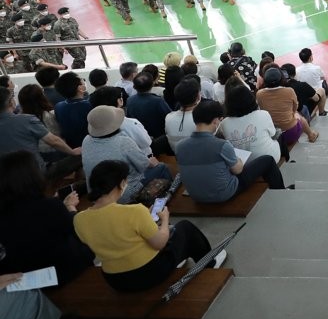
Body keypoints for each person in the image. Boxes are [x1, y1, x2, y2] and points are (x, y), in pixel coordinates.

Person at [73, 160, 224, 293]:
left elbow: (116, 235)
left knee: (162, 232)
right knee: (185, 228)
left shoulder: (79, 219)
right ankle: (210, 263)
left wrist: (147, 218)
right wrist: (164, 220)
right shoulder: (134, 211)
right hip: (150, 273)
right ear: (120, 184)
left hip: (116, 281)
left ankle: (181, 258)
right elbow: (159, 243)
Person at [0, 150, 95, 283]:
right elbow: (78, 232)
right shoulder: (51, 207)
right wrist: (69, 208)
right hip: (61, 273)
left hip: (25, 279)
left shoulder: (5, 214)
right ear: (33, 176)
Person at [175, 100, 287, 203]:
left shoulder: (179, 146)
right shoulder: (221, 145)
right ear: (215, 121)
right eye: (220, 120)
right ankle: (281, 193)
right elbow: (238, 170)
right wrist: (237, 159)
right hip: (223, 194)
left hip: (196, 196)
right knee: (267, 160)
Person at [82, 106, 170, 200]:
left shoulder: (86, 140)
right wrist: (152, 162)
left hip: (97, 195)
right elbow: (143, 165)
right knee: (162, 167)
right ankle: (166, 198)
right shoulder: (123, 142)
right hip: (123, 193)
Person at [219, 84, 282, 163]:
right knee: (279, 133)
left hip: (244, 165)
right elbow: (273, 134)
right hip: (271, 159)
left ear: (228, 103)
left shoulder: (224, 123)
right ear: (251, 99)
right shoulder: (263, 114)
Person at [256, 67, 318, 148]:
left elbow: (262, 109)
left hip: (272, 134)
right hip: (291, 133)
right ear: (282, 78)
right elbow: (295, 108)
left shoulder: (259, 94)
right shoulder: (289, 91)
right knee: (297, 114)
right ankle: (311, 135)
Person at [126, 73, 172, 139]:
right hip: (158, 136)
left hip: (140, 134)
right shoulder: (158, 101)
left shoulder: (129, 100)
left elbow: (129, 118)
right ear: (152, 84)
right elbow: (169, 116)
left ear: (134, 86)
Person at [53, 71, 91, 149]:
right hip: (88, 144)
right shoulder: (89, 105)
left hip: (71, 145)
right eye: (82, 80)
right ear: (80, 88)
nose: (84, 81)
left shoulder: (58, 106)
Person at [164, 79, 201, 151]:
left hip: (177, 156)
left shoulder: (168, 117)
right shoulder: (201, 120)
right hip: (197, 157)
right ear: (198, 97)